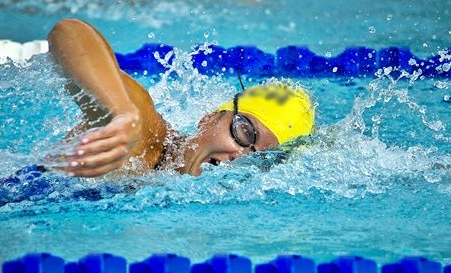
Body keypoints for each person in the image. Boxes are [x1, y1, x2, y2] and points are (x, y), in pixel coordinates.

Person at [47, 19, 315, 177]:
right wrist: (121, 111)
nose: (239, 156)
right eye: (245, 133)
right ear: (209, 118)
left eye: (259, 158)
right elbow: (69, 32)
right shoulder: (144, 135)